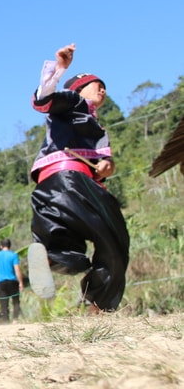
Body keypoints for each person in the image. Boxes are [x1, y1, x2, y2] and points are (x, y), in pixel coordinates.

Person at [27, 43, 129, 313]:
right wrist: (60, 69)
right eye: (96, 84)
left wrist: (107, 166)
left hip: (53, 190)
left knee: (72, 257)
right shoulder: (72, 103)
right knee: (114, 240)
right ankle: (97, 303)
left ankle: (48, 259)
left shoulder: (97, 126)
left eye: (104, 86)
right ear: (78, 89)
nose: (102, 89)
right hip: (70, 181)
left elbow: (103, 164)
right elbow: (43, 100)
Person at [0, 239, 23, 321]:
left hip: (1, 282)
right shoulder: (13, 255)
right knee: (16, 301)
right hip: (12, 281)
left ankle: (6, 320)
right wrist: (21, 282)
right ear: (9, 246)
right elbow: (17, 269)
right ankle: (15, 319)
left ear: (1, 246)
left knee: (3, 302)